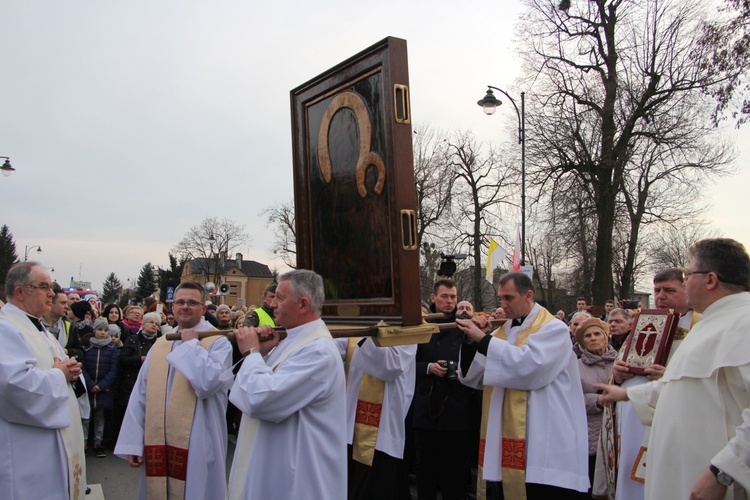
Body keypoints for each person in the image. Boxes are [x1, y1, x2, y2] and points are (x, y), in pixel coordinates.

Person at [597, 239, 750, 499]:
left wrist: (723, 471)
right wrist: (627, 394)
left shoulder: (743, 324)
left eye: (688, 274)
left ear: (710, 280)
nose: (686, 282)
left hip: (713, 482)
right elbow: (687, 390)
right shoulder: (711, 324)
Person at [458, 271, 589, 499]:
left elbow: (530, 367)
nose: (503, 304)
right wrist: (471, 341)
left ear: (529, 295)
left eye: (509, 298)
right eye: (501, 298)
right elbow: (474, 377)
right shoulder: (502, 332)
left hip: (545, 438)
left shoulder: (553, 329)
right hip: (507, 441)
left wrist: (483, 339)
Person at [227, 270, 347, 500]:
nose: (272, 304)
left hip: (297, 478)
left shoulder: (317, 351)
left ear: (303, 304)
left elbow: (262, 400)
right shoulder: (292, 340)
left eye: (279, 298)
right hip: (276, 465)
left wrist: (251, 352)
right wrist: (262, 354)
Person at [114, 282, 233, 500]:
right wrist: (133, 441)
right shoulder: (161, 344)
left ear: (203, 309)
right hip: (159, 438)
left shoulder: (218, 342)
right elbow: (141, 394)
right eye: (180, 302)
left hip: (198, 440)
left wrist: (190, 346)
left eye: (192, 302)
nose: (185, 307)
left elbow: (207, 384)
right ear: (173, 306)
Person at [598, 268, 698, 499]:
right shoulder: (645, 322)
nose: (661, 295)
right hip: (630, 417)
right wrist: (618, 373)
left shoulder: (699, 325)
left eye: (669, 290)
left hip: (667, 416)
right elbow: (624, 361)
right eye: (657, 290)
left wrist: (668, 375)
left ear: (686, 289)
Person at [0, 262, 87, 499]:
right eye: (44, 287)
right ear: (20, 292)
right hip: (28, 452)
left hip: (50, 445)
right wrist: (61, 374)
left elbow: (56, 366)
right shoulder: (6, 328)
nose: (51, 293)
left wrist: (70, 368)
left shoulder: (39, 329)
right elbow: (13, 386)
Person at [413, 279, 476, 500]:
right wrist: (429, 368)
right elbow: (404, 364)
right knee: (426, 469)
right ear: (433, 298)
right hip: (426, 406)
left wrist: (462, 372)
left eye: (453, 297)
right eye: (444, 297)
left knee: (454, 472)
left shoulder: (465, 328)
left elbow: (476, 363)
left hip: (455, 406)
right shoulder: (419, 325)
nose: (449, 301)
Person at [337, 335, 416, 499]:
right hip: (348, 423)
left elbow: (390, 366)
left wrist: (366, 335)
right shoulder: (357, 325)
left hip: (381, 428)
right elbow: (334, 350)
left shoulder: (409, 325)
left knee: (377, 486)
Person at [574, 318, 616, 497]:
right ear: (582, 342)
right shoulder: (575, 367)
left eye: (597, 334)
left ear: (606, 337)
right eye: (588, 336)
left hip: (618, 434)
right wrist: (597, 400)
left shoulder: (622, 362)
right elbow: (570, 400)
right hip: (592, 437)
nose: (593, 338)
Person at [81, 317, 118, 458]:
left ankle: (98, 443)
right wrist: (90, 384)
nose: (103, 333)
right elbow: (83, 367)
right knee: (85, 417)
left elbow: (113, 370)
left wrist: (102, 385)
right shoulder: (87, 348)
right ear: (94, 331)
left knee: (100, 416)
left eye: (105, 330)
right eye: (100, 330)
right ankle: (84, 442)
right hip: (89, 388)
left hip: (103, 389)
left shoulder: (111, 349)